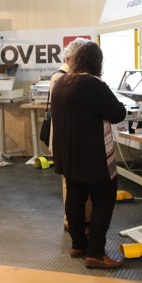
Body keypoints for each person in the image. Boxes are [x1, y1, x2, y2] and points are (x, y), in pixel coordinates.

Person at [51, 41, 126, 269]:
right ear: (97, 62)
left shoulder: (61, 82)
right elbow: (118, 113)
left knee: (75, 197)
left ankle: (78, 245)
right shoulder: (94, 84)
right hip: (93, 156)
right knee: (104, 200)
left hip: (68, 155)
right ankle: (95, 253)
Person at [49, 37, 91, 233]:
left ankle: (81, 219)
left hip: (69, 138)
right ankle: (72, 221)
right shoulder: (61, 78)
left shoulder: (69, 77)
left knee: (75, 184)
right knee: (71, 184)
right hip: (66, 139)